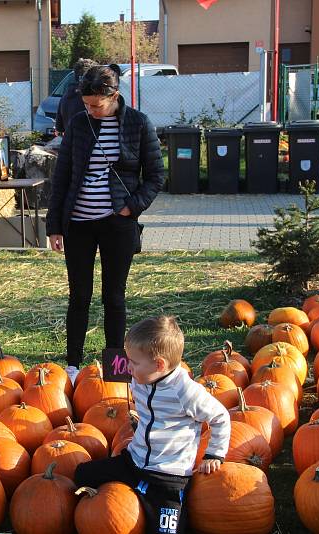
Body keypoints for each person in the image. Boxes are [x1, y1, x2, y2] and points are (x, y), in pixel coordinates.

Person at [46, 64, 164, 384]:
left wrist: (132, 207)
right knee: (79, 296)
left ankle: (115, 367)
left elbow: (156, 176)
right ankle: (72, 365)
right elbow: (62, 177)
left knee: (114, 296)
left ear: (114, 96)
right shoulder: (78, 124)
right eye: (86, 105)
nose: (91, 110)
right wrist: (54, 225)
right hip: (79, 224)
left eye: (97, 105)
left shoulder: (138, 124)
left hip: (118, 224)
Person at [74, 316, 230, 534]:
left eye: (134, 362)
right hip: (134, 461)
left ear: (159, 364)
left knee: (167, 530)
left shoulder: (186, 392)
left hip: (168, 478)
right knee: (81, 474)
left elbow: (220, 416)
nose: (128, 366)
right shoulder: (142, 379)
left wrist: (214, 454)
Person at [54, 58, 97, 136]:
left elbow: (59, 129)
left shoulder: (65, 96)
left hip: (70, 143)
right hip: (88, 144)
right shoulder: (92, 98)